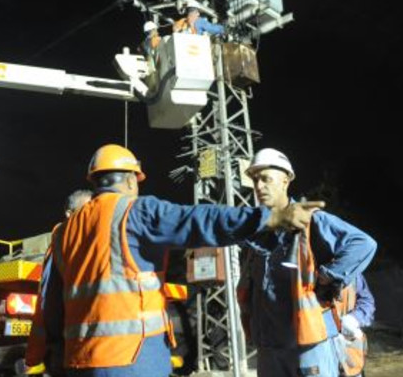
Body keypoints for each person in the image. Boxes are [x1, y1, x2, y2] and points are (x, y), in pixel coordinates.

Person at [25, 144, 324, 377]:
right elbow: (199, 219)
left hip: (78, 361)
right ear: (130, 180)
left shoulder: (63, 233)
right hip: (133, 358)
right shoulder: (136, 211)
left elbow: (48, 303)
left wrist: (41, 356)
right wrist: (268, 217)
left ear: (95, 181)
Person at [237, 148, 377, 377]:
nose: (259, 186)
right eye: (255, 180)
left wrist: (328, 276)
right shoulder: (259, 232)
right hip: (270, 346)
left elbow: (364, 244)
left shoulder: (310, 220)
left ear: (285, 180)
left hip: (310, 343)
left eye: (266, 179)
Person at [25, 189, 93, 376]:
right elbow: (50, 302)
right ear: (69, 214)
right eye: (87, 209)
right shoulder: (65, 244)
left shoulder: (80, 242)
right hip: (69, 347)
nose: (94, 214)